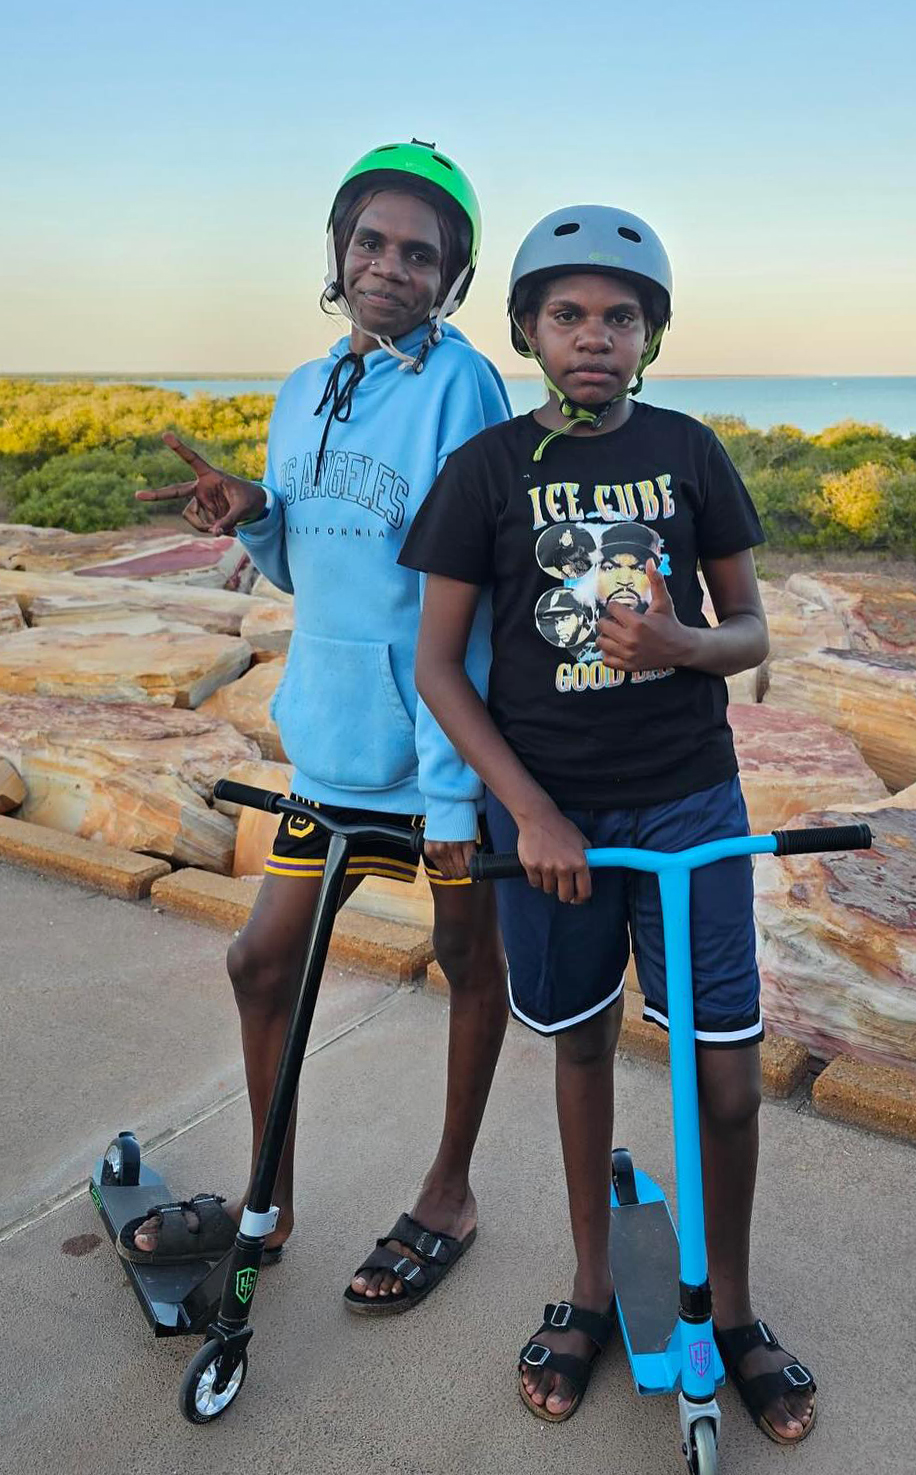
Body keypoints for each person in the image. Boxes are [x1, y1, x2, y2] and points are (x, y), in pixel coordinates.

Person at [401, 205, 817, 1442]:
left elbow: (749, 629)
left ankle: (729, 1310)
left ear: (651, 334)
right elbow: (436, 664)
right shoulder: (484, 470)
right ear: (526, 327)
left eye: (619, 316)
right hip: (551, 821)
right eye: (568, 314)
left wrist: (683, 642)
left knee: (724, 1077)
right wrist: (526, 813)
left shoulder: (689, 452)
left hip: (689, 798)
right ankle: (590, 1290)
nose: (594, 336)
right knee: (579, 1052)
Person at [121, 141, 511, 1316]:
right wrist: (258, 513)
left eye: (421, 254)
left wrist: (455, 791)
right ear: (339, 250)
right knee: (260, 964)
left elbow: (469, 592)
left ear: (452, 279)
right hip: (332, 753)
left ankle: (448, 1192)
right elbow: (313, 567)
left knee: (466, 962)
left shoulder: (463, 388)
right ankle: (267, 1202)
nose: (390, 266)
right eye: (372, 242)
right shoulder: (303, 387)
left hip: (439, 761)